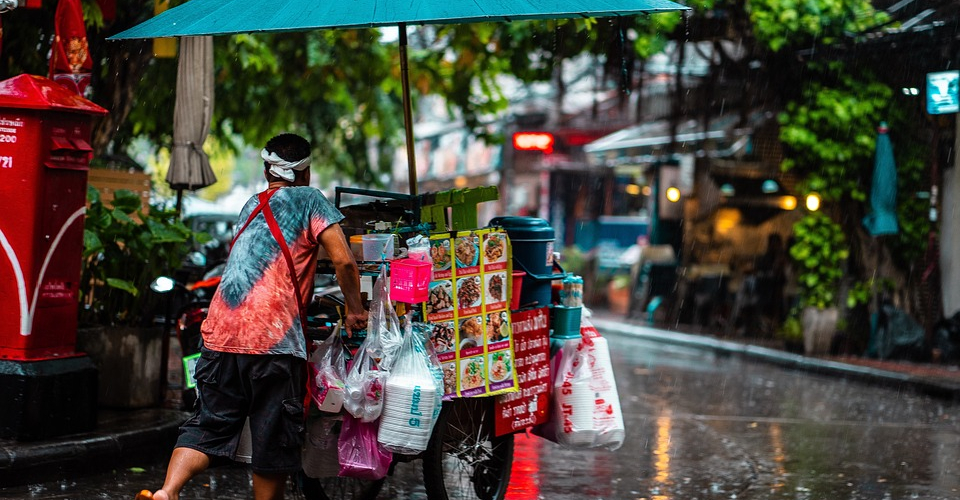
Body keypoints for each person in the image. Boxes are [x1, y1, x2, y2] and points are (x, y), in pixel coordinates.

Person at [137, 133, 367, 500]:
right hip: (273, 342)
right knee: (272, 442)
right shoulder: (310, 199)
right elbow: (342, 259)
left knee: (207, 426)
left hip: (219, 336)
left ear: (265, 170)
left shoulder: (251, 206)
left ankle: (166, 492)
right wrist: (355, 309)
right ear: (305, 172)